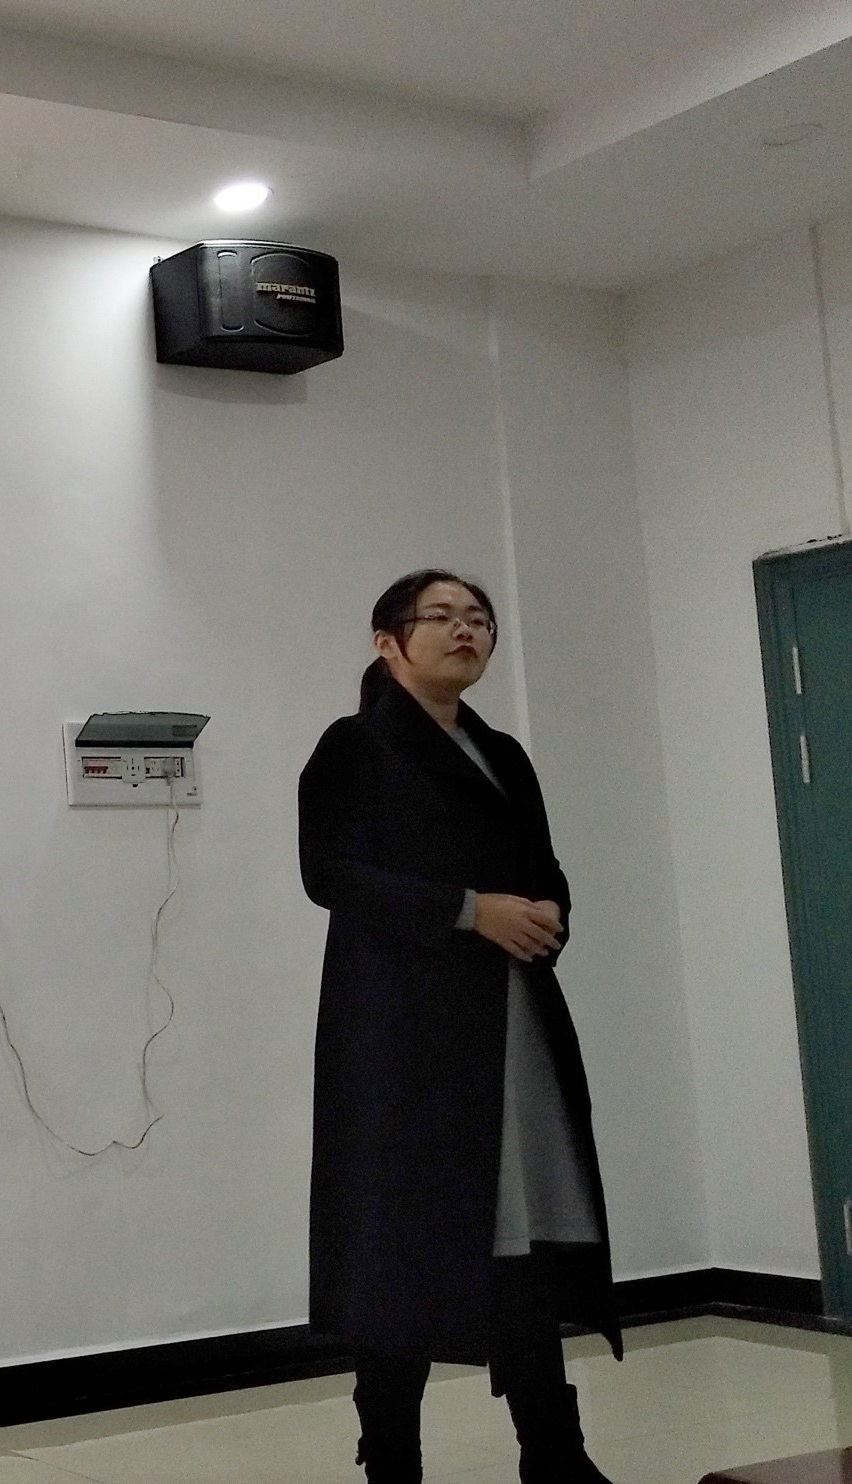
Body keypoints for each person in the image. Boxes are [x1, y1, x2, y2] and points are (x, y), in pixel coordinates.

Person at [299, 570, 622, 1484]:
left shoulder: (503, 752)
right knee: (395, 1246)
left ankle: (553, 1452)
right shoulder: (353, 747)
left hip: (510, 1023)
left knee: (523, 1237)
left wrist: (550, 912)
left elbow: (544, 866)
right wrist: (471, 911)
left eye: (479, 618)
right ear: (387, 641)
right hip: (402, 1037)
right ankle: (392, 1461)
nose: (465, 630)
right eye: (440, 617)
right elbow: (329, 873)